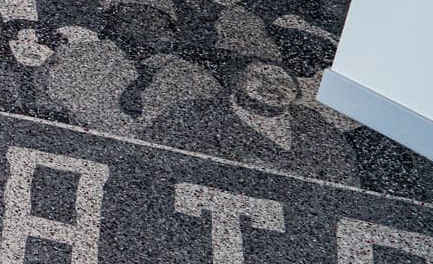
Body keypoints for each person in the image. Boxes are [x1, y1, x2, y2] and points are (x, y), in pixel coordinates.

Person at [151, 59, 360, 185]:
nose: (271, 87)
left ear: (296, 93)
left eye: (282, 82)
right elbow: (157, 158)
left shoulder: (315, 125)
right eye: (260, 78)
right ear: (237, 82)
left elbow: (343, 173)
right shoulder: (194, 113)